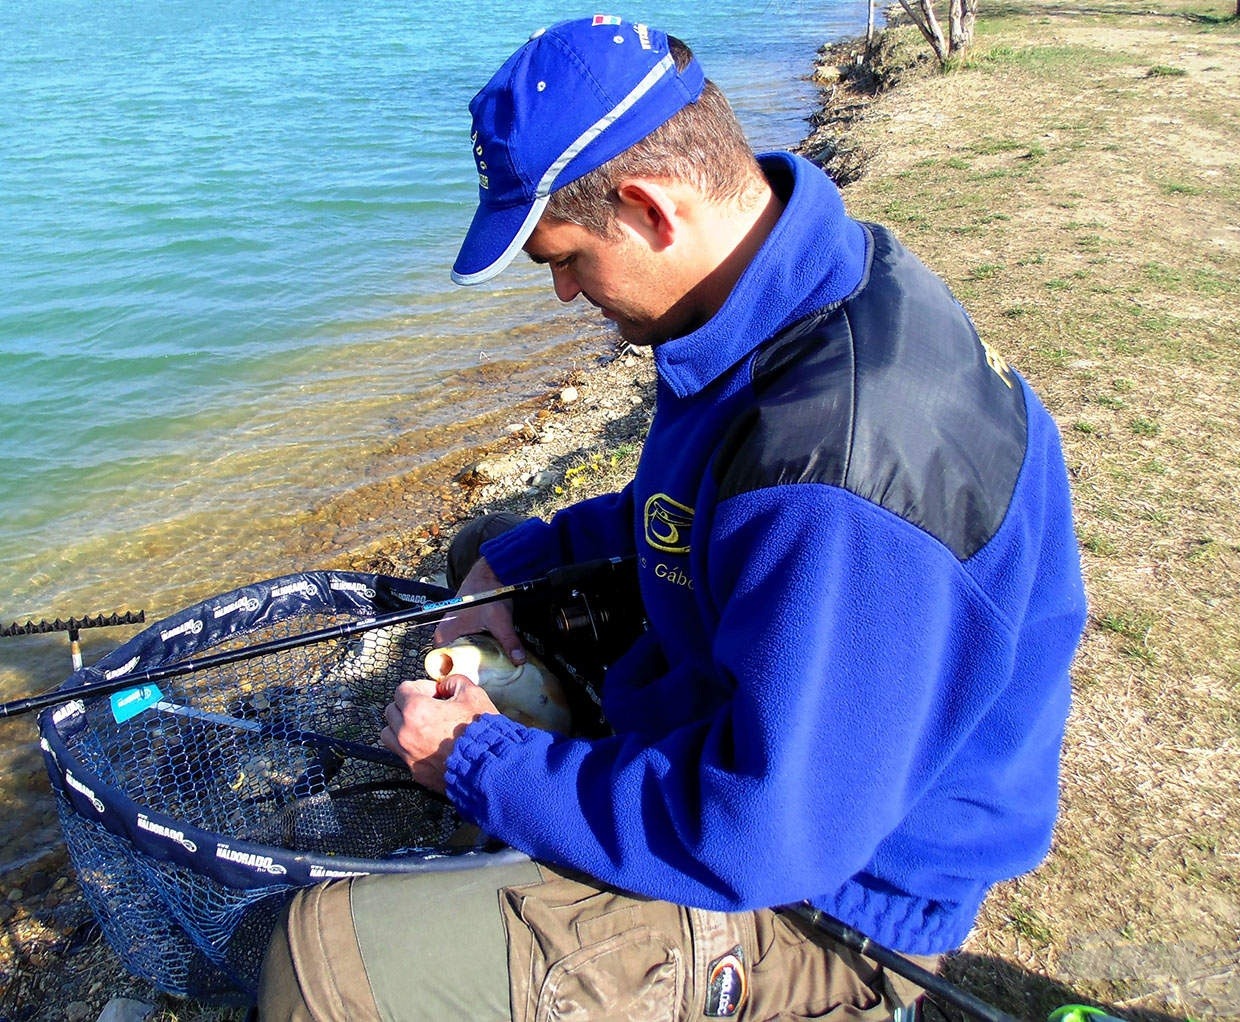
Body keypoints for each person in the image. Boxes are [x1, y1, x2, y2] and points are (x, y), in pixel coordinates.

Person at [258, 16, 1087, 1021]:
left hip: (827, 901)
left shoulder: (839, 472)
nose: (562, 292)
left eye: (560, 258)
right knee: (490, 553)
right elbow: (703, 500)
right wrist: (520, 562)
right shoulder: (795, 283)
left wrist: (479, 761)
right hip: (784, 741)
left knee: (315, 963)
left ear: (650, 209)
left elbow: (758, 832)